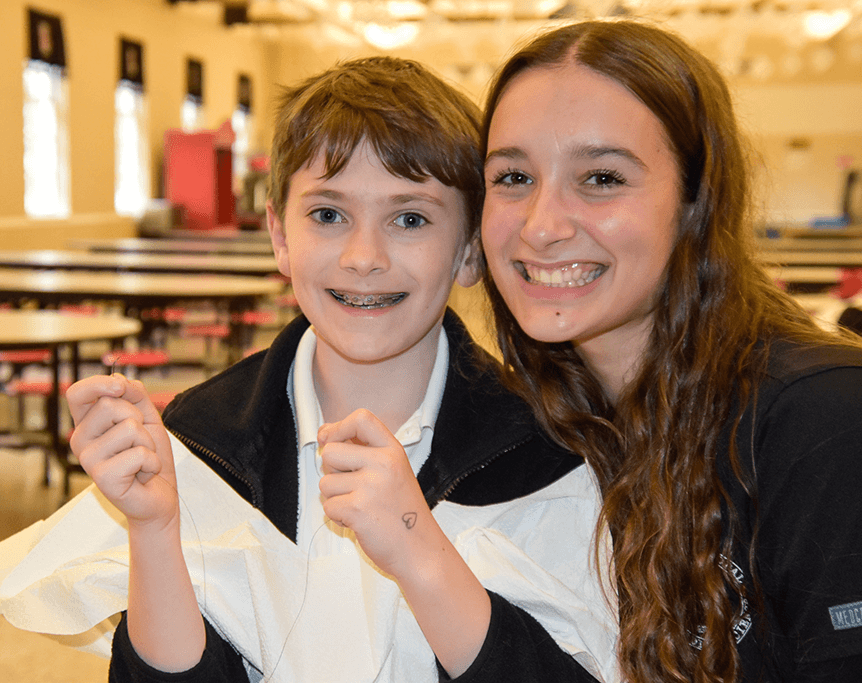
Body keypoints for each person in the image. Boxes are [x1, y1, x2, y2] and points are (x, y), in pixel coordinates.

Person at [1, 57, 618, 682]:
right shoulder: (204, 438)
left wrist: (418, 549)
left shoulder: (544, 450)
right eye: (328, 214)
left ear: (468, 250)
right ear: (281, 238)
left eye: (410, 218)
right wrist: (155, 528)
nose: (364, 257)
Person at [479, 19, 862, 683]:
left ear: (694, 203)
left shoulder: (822, 419)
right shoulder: (536, 426)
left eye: (600, 177)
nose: (541, 225)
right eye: (513, 175)